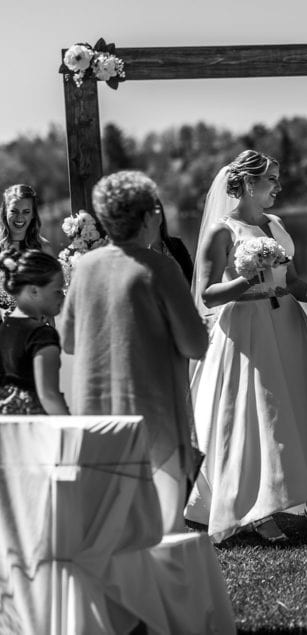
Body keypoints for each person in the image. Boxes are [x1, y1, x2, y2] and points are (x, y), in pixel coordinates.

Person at [186, 150, 307, 544]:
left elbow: (290, 280)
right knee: (263, 416)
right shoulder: (222, 232)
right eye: (271, 179)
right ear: (245, 184)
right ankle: (259, 509)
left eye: (278, 178)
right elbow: (208, 295)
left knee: (304, 408)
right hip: (247, 330)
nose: (279, 185)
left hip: (288, 324)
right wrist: (249, 280)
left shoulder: (276, 225)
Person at [60, 171, 209, 533]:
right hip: (152, 420)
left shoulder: (85, 268)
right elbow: (196, 345)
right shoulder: (160, 267)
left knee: (111, 534)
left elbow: (67, 341)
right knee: (159, 535)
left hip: (96, 421)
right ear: (148, 217)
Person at [0, 249, 69, 416]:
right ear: (34, 291)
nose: (63, 297)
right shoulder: (41, 335)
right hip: (33, 428)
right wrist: (72, 430)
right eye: (58, 290)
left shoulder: (3, 329)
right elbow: (48, 395)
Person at [0, 184, 52, 313]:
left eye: (26, 212)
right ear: (5, 211)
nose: (19, 218)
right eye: (14, 211)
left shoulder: (43, 248)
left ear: (33, 214)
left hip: (35, 327)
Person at [151, 197, 194, 282]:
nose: (156, 213)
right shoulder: (140, 251)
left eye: (157, 209)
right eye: (150, 211)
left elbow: (192, 279)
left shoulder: (177, 244)